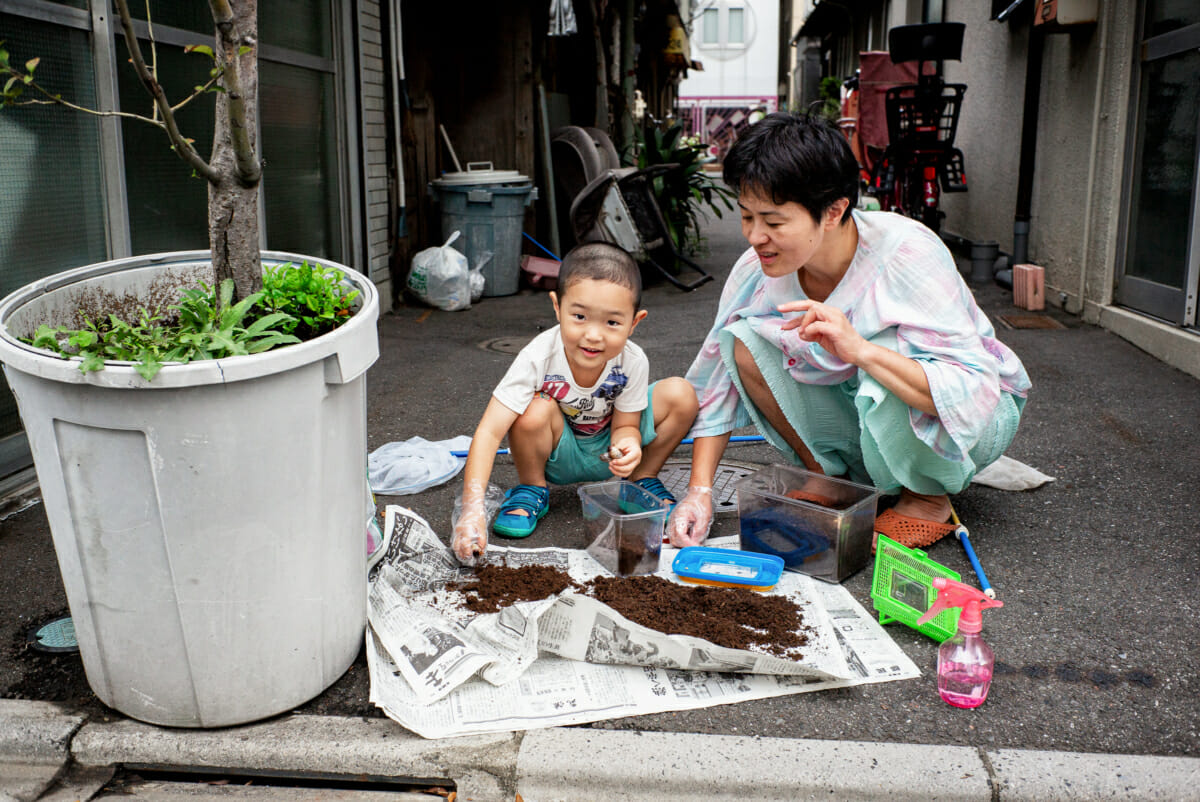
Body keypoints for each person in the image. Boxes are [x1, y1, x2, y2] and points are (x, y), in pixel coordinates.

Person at [667, 112, 1031, 550]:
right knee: (742, 341)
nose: (755, 236)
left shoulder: (907, 253)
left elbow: (972, 390)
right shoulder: (755, 271)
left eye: (774, 222)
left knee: (886, 346)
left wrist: (860, 350)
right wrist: (699, 492)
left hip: (972, 418)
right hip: (862, 408)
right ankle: (826, 477)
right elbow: (715, 381)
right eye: (747, 217)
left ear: (834, 210)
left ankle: (926, 495)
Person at [452, 241, 699, 563]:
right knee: (533, 409)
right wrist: (472, 510)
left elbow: (626, 424)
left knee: (681, 394)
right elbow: (488, 432)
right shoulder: (538, 356)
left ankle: (642, 479)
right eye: (579, 316)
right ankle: (531, 488)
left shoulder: (633, 360)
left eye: (612, 322)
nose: (594, 335)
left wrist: (630, 445)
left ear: (634, 322)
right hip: (559, 451)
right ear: (557, 307)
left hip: (608, 448)